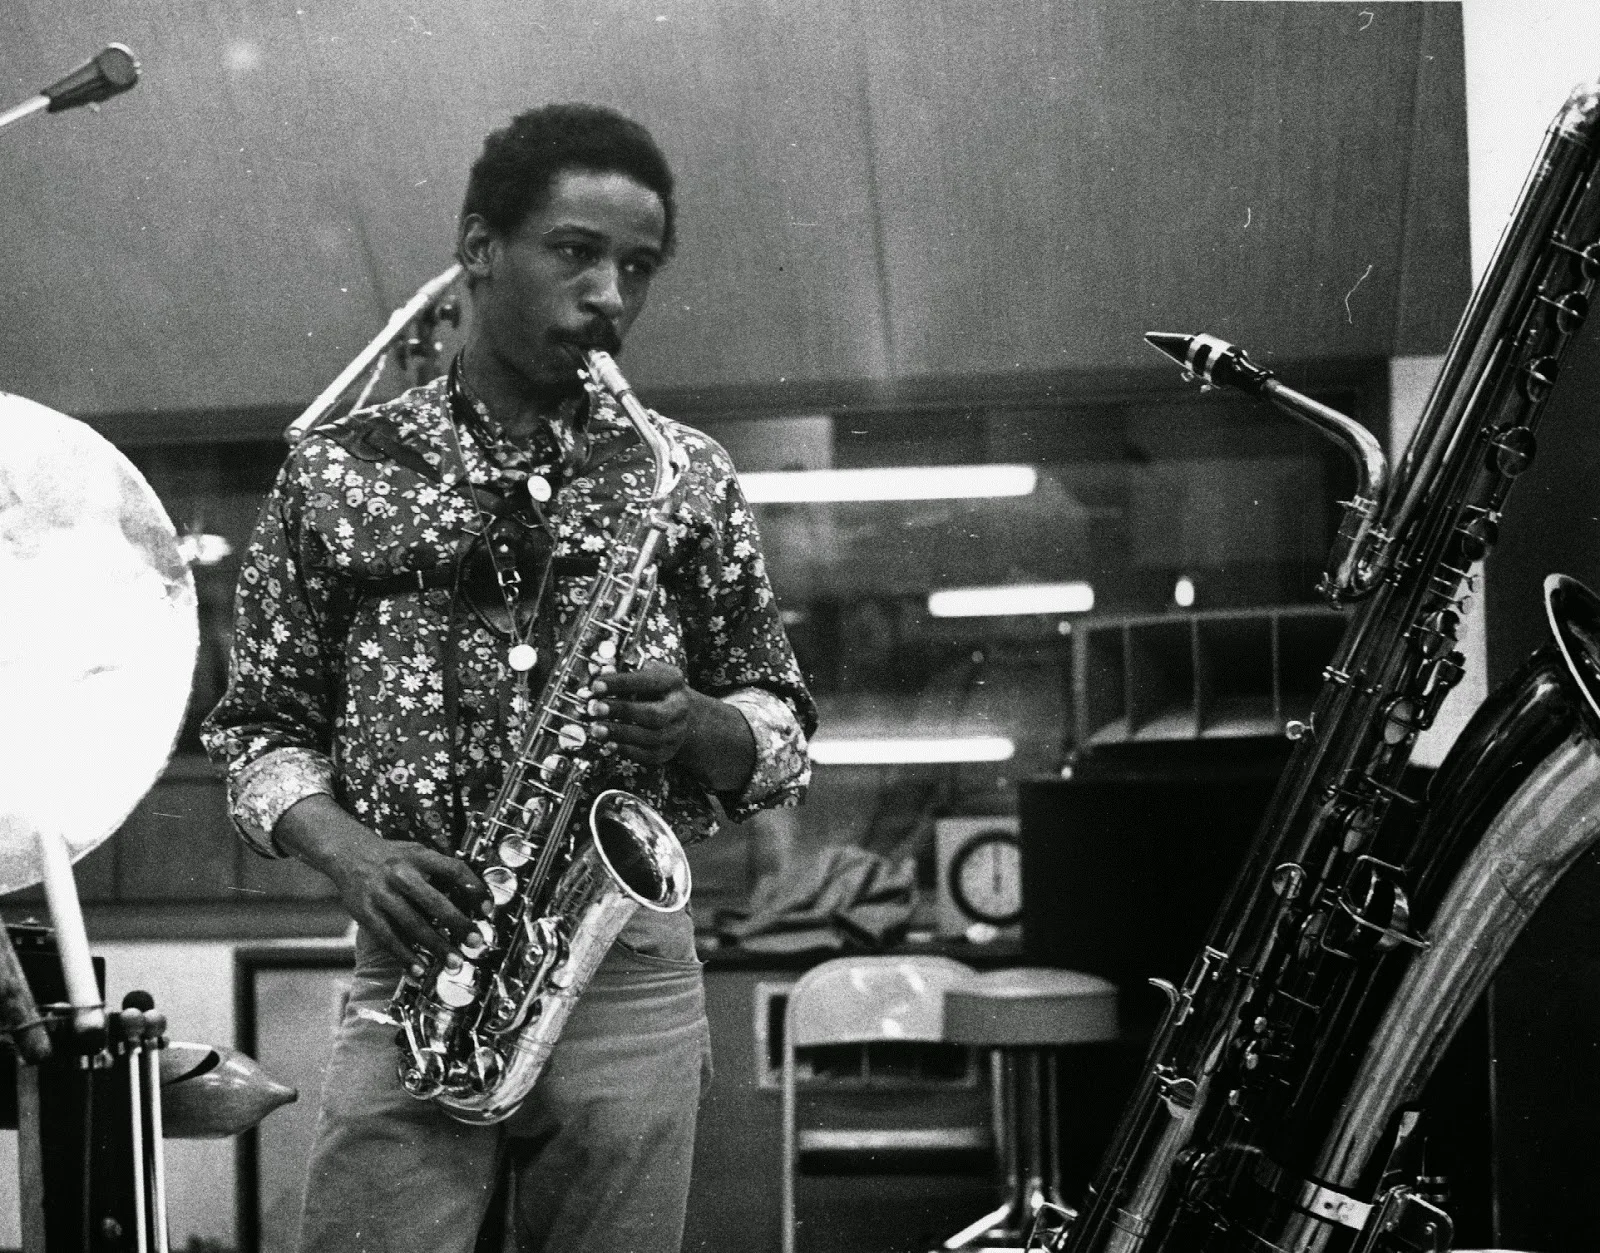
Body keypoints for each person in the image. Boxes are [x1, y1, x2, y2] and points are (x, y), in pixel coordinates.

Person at [202, 102, 816, 1253]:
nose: (610, 296)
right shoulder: (337, 471)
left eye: (638, 267)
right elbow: (256, 733)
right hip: (419, 969)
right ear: (479, 248)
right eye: (575, 252)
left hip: (627, 976)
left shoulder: (682, 471)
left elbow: (778, 723)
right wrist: (352, 852)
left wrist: (696, 723)